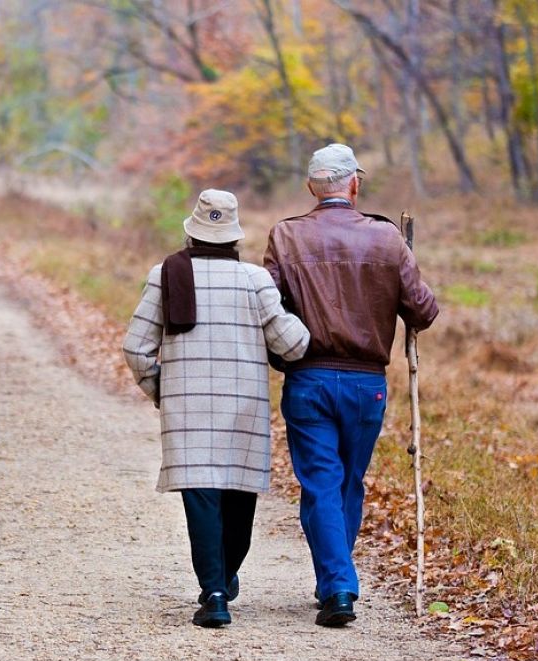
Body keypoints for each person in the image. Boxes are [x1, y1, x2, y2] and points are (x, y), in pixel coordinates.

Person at [263, 143, 439, 627]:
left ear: (311, 188)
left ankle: (336, 584)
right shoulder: (386, 239)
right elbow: (424, 311)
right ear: (354, 184)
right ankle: (337, 583)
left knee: (321, 482)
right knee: (346, 482)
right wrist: (403, 264)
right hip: (367, 385)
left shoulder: (285, 236)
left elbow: (265, 305)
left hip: (309, 377)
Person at [122, 189, 310, 628]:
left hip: (187, 411)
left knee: (201, 497)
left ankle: (215, 592)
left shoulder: (165, 275)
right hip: (243, 407)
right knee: (238, 499)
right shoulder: (255, 280)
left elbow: (136, 348)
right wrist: (300, 316)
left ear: (191, 233)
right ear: (234, 238)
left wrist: (161, 389)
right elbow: (293, 345)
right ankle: (224, 578)